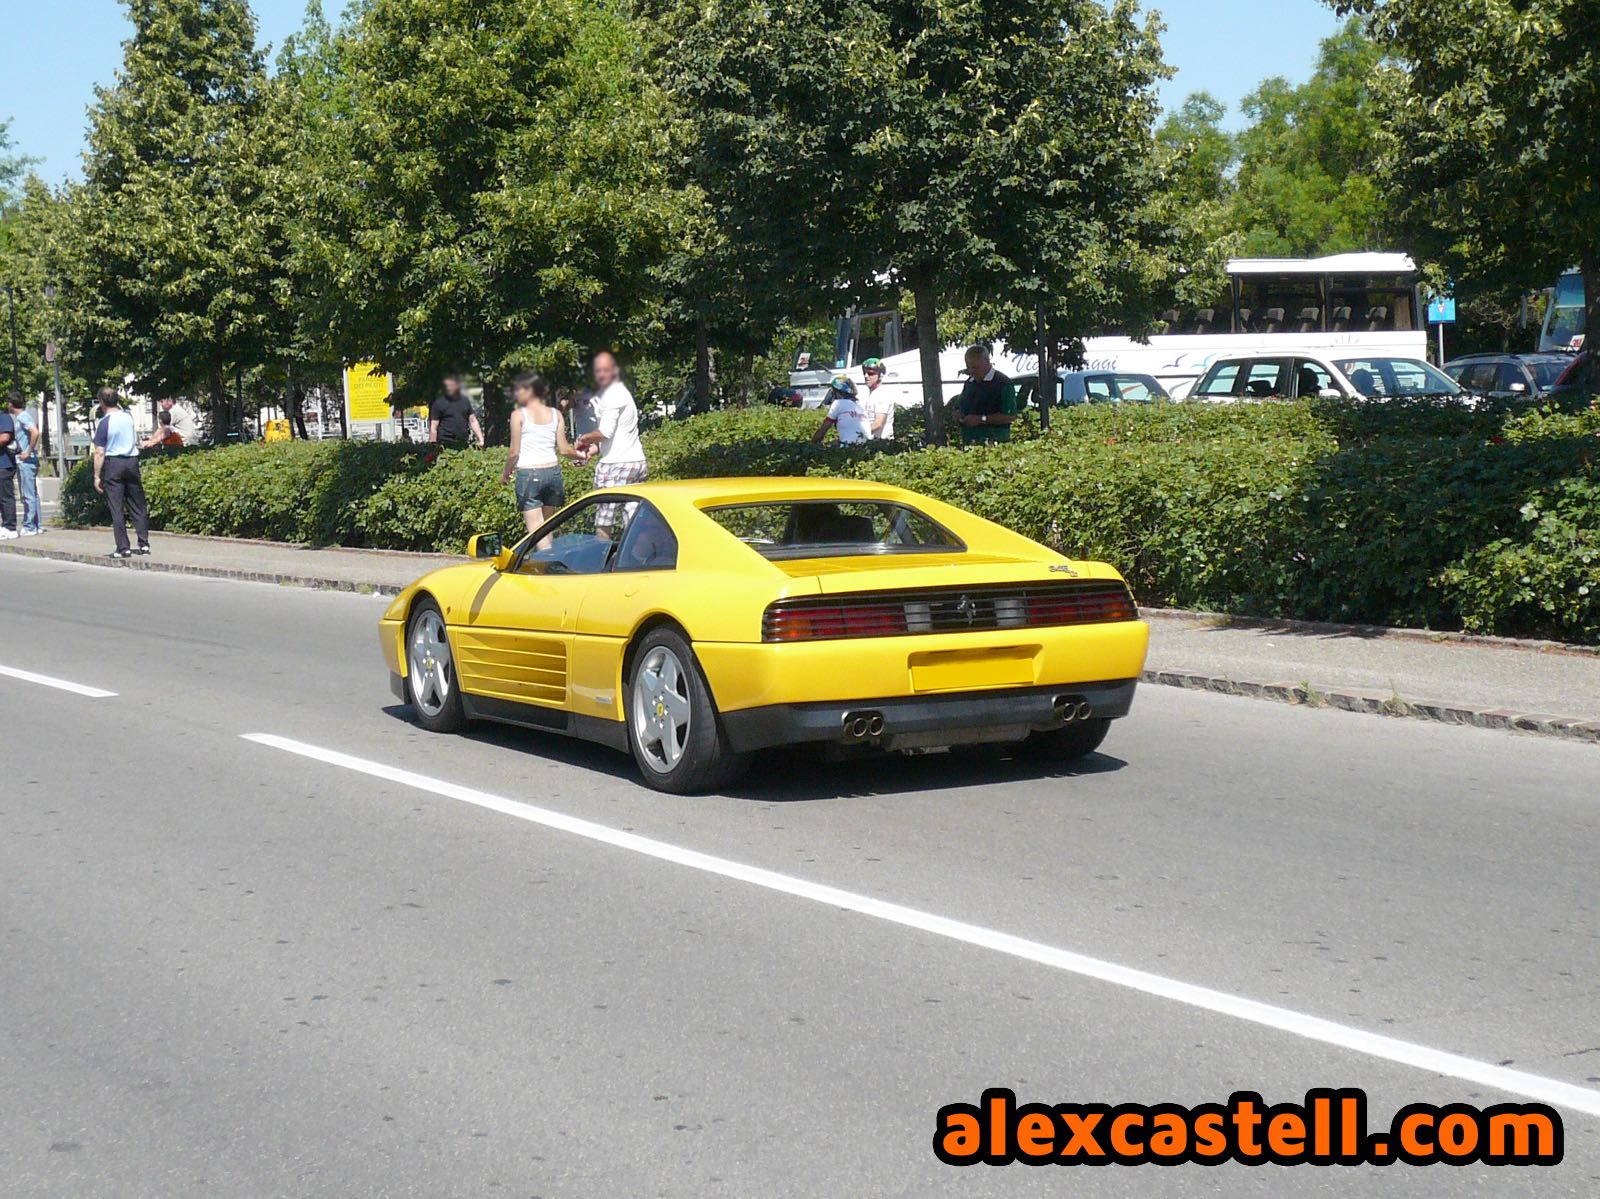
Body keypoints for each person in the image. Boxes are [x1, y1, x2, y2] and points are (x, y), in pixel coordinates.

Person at [501, 372, 585, 541]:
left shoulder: (518, 415)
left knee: (536, 533)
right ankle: (549, 561)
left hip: (529, 474)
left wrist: (505, 474)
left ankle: (544, 565)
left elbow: (514, 452)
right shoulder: (556, 414)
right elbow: (564, 449)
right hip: (552, 473)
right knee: (547, 530)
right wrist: (580, 455)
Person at [574, 352, 647, 537]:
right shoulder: (623, 392)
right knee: (633, 520)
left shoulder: (612, 395)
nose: (601, 374)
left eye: (605, 370)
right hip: (636, 462)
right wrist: (593, 449)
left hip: (615, 465)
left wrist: (583, 439)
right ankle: (637, 560)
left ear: (615, 371)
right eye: (597, 370)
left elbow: (605, 433)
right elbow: (615, 435)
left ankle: (602, 561)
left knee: (604, 521)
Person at [91, 387, 151, 559]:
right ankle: (144, 543)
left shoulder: (104, 423)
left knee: (116, 506)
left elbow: (99, 451)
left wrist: (97, 476)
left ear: (101, 402)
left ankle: (123, 547)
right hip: (132, 462)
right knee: (137, 503)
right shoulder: (128, 416)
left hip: (114, 463)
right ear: (116, 400)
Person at [955, 345, 1018, 446]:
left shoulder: (1003, 383)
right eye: (969, 367)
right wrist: (958, 414)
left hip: (995, 444)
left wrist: (981, 419)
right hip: (970, 443)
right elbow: (959, 406)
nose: (972, 371)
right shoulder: (969, 383)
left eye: (975, 367)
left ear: (987, 362)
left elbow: (1010, 416)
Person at [8, 392, 42, 535]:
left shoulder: (22, 417)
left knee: (28, 494)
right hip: (28, 459)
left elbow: (35, 432)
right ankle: (37, 524)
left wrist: (28, 450)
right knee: (32, 494)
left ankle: (30, 526)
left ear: (11, 404)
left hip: (26, 460)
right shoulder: (23, 416)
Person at [429, 373, 484, 448]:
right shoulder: (438, 403)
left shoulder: (465, 401)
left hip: (462, 442)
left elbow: (473, 420)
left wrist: (481, 439)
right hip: (445, 443)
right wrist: (433, 445)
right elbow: (434, 427)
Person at [812, 376, 870, 444]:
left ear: (837, 392)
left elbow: (822, 431)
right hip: (863, 446)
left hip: (848, 448)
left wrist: (810, 444)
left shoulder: (838, 403)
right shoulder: (860, 407)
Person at [859, 358, 895, 439]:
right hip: (872, 441)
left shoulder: (882, 395)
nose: (866, 376)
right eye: (864, 373)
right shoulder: (873, 394)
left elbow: (878, 423)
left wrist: (857, 433)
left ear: (880, 375)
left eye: (870, 373)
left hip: (881, 444)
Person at [0, 396, 17, 540]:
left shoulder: (3, 417)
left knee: (6, 497)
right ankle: (4, 526)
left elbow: (5, 437)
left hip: (4, 464)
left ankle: (10, 527)